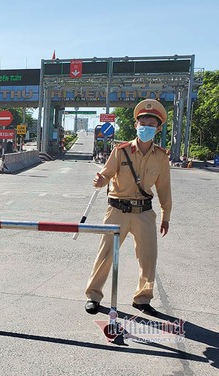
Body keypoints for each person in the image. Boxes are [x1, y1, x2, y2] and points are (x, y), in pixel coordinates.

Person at [84, 99, 172, 317]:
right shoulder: (121, 151)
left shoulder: (161, 157)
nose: (146, 128)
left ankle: (142, 299)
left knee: (148, 257)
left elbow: (164, 189)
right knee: (105, 255)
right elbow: (106, 174)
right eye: (143, 123)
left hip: (144, 213)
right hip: (117, 211)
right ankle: (93, 296)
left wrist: (166, 215)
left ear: (158, 129)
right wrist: (100, 181)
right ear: (135, 125)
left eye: (151, 124)